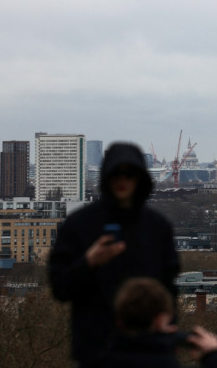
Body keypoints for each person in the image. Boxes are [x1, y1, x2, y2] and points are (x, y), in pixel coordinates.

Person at [49, 142, 180, 367]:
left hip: (149, 349)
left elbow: (169, 285)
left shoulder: (157, 227)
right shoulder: (78, 225)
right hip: (97, 350)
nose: (123, 180)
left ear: (141, 178)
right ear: (106, 177)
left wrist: (169, 322)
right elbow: (60, 287)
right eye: (116, 173)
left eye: (130, 173)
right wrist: (89, 262)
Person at [96, 277, 217, 368]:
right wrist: (214, 356)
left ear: (119, 321)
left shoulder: (98, 360)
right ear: (161, 320)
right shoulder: (164, 362)